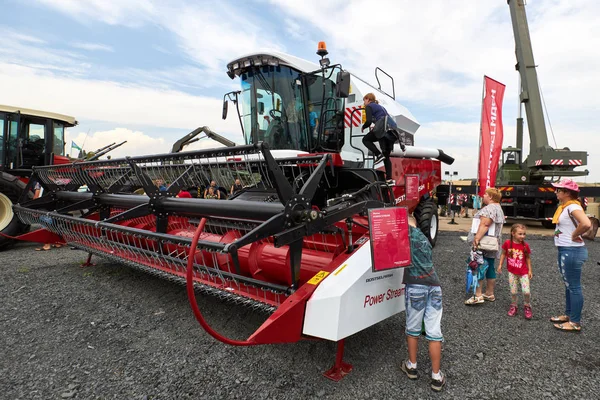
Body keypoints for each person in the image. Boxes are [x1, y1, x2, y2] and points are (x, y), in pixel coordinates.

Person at [400, 216, 446, 392]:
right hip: (434, 286)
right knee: (434, 330)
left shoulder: (405, 235)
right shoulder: (424, 238)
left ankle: (412, 366)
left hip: (416, 286)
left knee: (413, 329)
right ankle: (436, 376)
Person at [549, 178, 591, 332]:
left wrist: (574, 235)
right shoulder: (566, 206)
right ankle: (569, 315)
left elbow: (586, 223)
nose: (556, 192)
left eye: (559, 190)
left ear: (566, 192)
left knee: (573, 286)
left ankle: (575, 322)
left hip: (571, 250)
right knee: (568, 285)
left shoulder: (572, 206)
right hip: (566, 249)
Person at [465, 188, 504, 305]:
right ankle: (489, 293)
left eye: (486, 194)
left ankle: (477, 295)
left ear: (491, 197)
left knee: (478, 266)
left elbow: (485, 223)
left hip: (484, 243)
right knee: (490, 266)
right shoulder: (499, 208)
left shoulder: (489, 208)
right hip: (493, 243)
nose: (484, 195)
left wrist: (477, 238)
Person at [497, 224, 533, 319]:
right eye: (520, 234)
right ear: (513, 233)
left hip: (523, 272)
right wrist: (500, 264)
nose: (522, 236)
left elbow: (528, 258)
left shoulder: (525, 246)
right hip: (512, 272)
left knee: (526, 292)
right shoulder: (507, 243)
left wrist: (530, 270)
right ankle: (514, 305)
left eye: (524, 234)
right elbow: (503, 254)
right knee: (513, 292)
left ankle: (527, 305)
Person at [361, 93, 398, 184]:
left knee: (365, 140)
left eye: (364, 100)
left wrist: (363, 127)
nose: (364, 102)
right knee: (387, 157)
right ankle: (389, 179)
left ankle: (378, 155)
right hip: (390, 132)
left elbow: (368, 121)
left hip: (382, 130)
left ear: (368, 99)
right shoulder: (380, 107)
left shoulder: (369, 106)